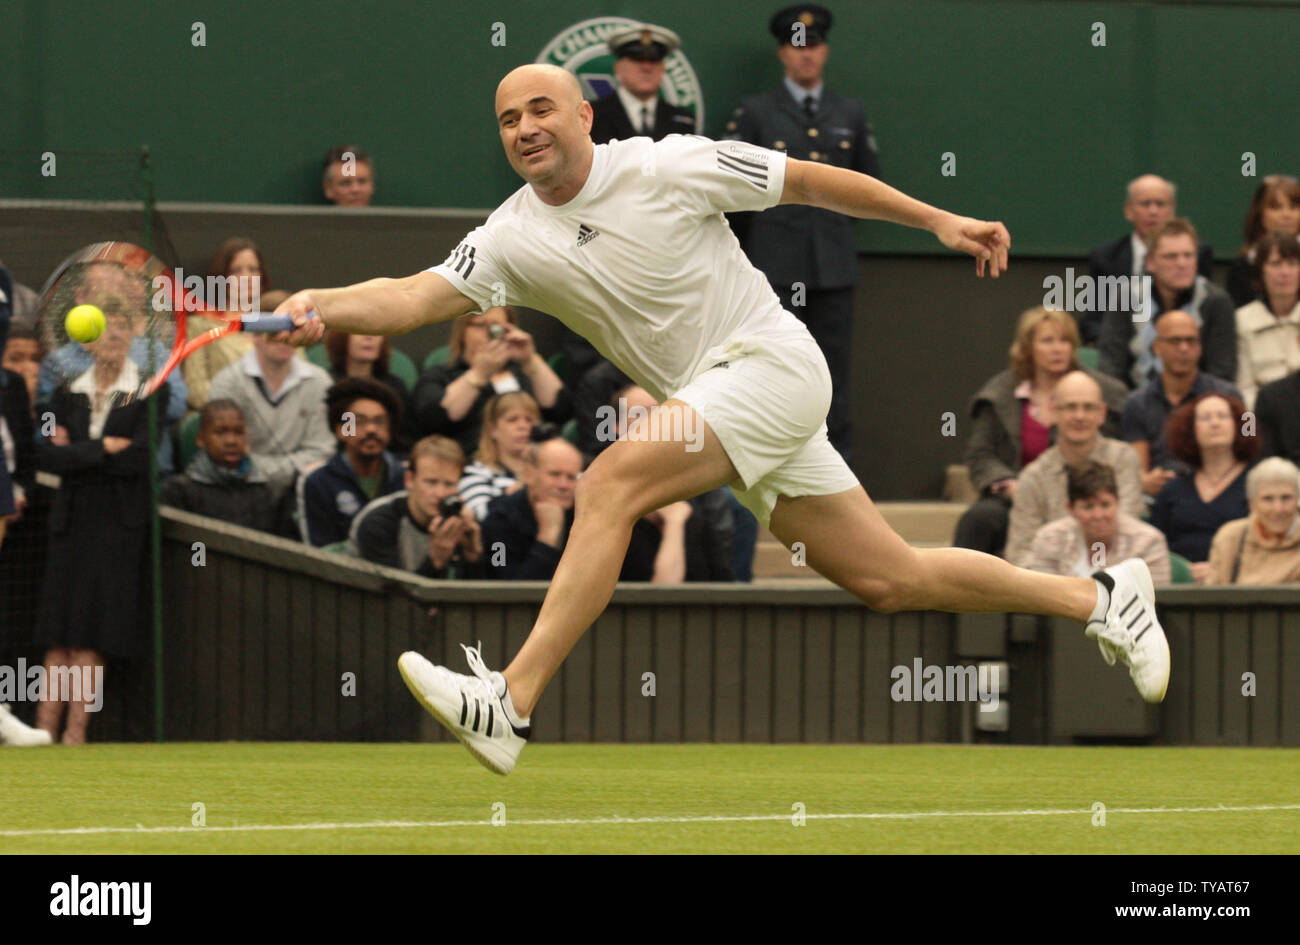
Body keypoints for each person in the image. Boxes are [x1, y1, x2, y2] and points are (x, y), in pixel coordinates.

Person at [272, 64, 1169, 776]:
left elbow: (811, 180)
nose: (525, 129)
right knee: (888, 578)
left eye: (540, 109)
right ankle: (1105, 597)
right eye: (508, 121)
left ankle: (509, 699)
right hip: (723, 403)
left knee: (611, 478)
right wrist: (325, 303)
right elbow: (411, 296)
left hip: (770, 368)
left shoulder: (666, 164)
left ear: (587, 114)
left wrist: (938, 218)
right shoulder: (511, 234)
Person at [722, 3, 881, 463]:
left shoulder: (849, 112)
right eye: (797, 46)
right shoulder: (754, 113)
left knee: (834, 376)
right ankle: (771, 470)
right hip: (772, 268)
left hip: (833, 270)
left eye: (814, 46)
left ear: (825, 50)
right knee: (771, 372)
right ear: (782, 53)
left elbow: (866, 188)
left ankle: (841, 479)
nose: (806, 55)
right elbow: (735, 198)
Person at [33, 305, 167, 743]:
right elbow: (47, 455)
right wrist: (104, 448)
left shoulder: (149, 391)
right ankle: (42, 733)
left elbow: (142, 458)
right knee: (59, 635)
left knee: (93, 635)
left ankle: (75, 736)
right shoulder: (65, 393)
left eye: (123, 326)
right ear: (87, 339)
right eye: (105, 328)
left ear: (133, 335)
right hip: (70, 520)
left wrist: (81, 453)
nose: (113, 335)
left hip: (118, 524)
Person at [954, 306, 1127, 555]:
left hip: (1086, 493)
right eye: (1048, 341)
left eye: (1065, 341)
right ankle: (961, 590)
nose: (1058, 348)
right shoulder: (999, 394)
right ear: (1027, 348)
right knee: (980, 518)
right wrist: (1012, 486)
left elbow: (1110, 448)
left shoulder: (1101, 392)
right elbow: (981, 456)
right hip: (1016, 493)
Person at [1004, 372, 1144, 567]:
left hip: (1116, 577)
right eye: (1070, 407)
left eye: (1088, 407)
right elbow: (1020, 551)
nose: (1080, 416)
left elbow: (1128, 532)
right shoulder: (1033, 476)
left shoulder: (1123, 459)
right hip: (1052, 584)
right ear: (1053, 411)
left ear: (1102, 413)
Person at [410, 305, 569, 458]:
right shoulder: (441, 375)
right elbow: (434, 419)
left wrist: (530, 359)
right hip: (470, 461)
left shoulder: (522, 372)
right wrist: (479, 373)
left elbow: (561, 409)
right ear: (463, 331)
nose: (492, 333)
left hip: (529, 459)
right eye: (482, 325)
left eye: (499, 327)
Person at [613, 384, 735, 582]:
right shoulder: (605, 492)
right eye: (638, 414)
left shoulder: (702, 492)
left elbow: (720, 579)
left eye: (658, 414)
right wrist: (674, 521)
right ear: (616, 427)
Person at [1097, 218, 1235, 390]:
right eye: (1171, 257)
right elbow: (1111, 368)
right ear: (1150, 263)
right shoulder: (1126, 296)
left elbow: (1221, 374)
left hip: (1199, 408)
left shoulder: (1215, 302)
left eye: (1188, 255)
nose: (1181, 264)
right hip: (1134, 406)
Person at [208, 319, 335, 499]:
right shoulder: (226, 382)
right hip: (237, 489)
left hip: (302, 490)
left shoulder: (321, 381)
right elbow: (223, 453)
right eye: (274, 331)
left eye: (292, 331)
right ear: (253, 336)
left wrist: (263, 471)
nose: (284, 337)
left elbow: (323, 450)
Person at [1121, 309, 1241, 498]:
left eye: (1191, 341)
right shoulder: (1136, 404)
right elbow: (1139, 470)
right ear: (1157, 347)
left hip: (1224, 490)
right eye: (1175, 341)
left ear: (1200, 347)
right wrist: (1145, 482)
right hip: (1162, 496)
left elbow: (1250, 437)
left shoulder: (1230, 395)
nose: (1184, 348)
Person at [1084, 174, 1214, 345]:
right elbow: (1093, 322)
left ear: (1172, 210)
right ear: (1128, 211)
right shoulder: (1105, 257)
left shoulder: (1196, 253)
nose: (1153, 211)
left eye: (1160, 204)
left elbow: (1204, 314)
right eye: (1145, 204)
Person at [1151, 392, 1258, 581]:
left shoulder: (1256, 483)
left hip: (1242, 585)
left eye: (1222, 416)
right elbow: (1155, 546)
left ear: (1238, 426)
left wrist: (1218, 568)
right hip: (1180, 589)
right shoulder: (1173, 490)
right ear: (1191, 430)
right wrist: (1182, 571)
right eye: (1205, 418)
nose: (1214, 423)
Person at [350, 435, 484, 578]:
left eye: (449, 484)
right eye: (431, 482)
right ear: (410, 480)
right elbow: (390, 595)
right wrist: (435, 561)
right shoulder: (378, 522)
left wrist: (473, 558)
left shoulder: (458, 521)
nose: (440, 493)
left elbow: (477, 594)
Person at [160, 399, 295, 535]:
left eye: (238, 432)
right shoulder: (180, 491)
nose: (231, 441)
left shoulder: (266, 492)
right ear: (201, 439)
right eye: (220, 432)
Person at [297, 378, 404, 546]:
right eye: (359, 422)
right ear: (341, 430)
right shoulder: (317, 481)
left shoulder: (405, 477)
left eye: (379, 421)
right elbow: (319, 550)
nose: (371, 429)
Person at [1027, 461, 1170, 585]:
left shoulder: (1148, 541)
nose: (1098, 515)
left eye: (1105, 505)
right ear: (1070, 509)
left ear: (1118, 502)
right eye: (1088, 507)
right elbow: (1044, 598)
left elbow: (1155, 603)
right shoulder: (1049, 538)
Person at [180, 238, 267, 412]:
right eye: (236, 271)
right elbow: (196, 391)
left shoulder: (278, 320)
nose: (246, 277)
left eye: (253, 269)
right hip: (228, 420)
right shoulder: (199, 326)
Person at [480, 437, 583, 580]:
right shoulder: (498, 522)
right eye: (555, 474)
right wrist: (548, 536)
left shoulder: (585, 517)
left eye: (571, 477)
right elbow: (506, 589)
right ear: (530, 475)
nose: (563, 485)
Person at [588, 24, 696, 144]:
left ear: (662, 69)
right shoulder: (592, 116)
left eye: (653, 60)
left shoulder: (683, 119)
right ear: (618, 68)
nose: (646, 67)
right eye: (637, 59)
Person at [1206, 457, 1300, 584]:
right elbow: (1213, 597)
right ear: (1252, 504)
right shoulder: (1230, 538)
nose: (1278, 509)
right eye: (1268, 499)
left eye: (1286, 498)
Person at [1234, 231, 1300, 409]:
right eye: (1275, 264)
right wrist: (1251, 433)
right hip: (1264, 419)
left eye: (1292, 264)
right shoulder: (1242, 320)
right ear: (1260, 270)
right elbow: (1244, 389)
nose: (1285, 272)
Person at [458, 391, 539, 521]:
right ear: (492, 429)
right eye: (512, 420)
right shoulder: (475, 472)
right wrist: (520, 493)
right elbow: (481, 516)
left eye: (529, 420)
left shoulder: (554, 470)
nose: (523, 426)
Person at [1226, 174, 1300, 308]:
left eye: (1293, 207)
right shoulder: (1243, 266)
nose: (1287, 215)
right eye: (1276, 207)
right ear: (1260, 212)